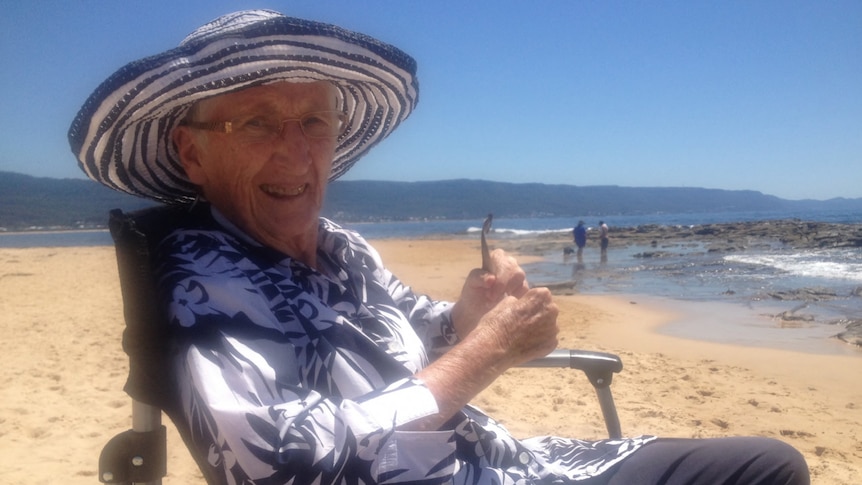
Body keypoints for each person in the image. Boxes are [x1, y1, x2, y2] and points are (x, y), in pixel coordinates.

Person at [69, 10, 809, 484]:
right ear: (192, 153)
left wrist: (470, 313)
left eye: (315, 120)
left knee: (768, 462)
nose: (298, 154)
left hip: (509, 462)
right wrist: (484, 353)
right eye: (258, 123)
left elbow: (415, 328)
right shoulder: (198, 277)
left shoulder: (341, 247)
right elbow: (279, 463)